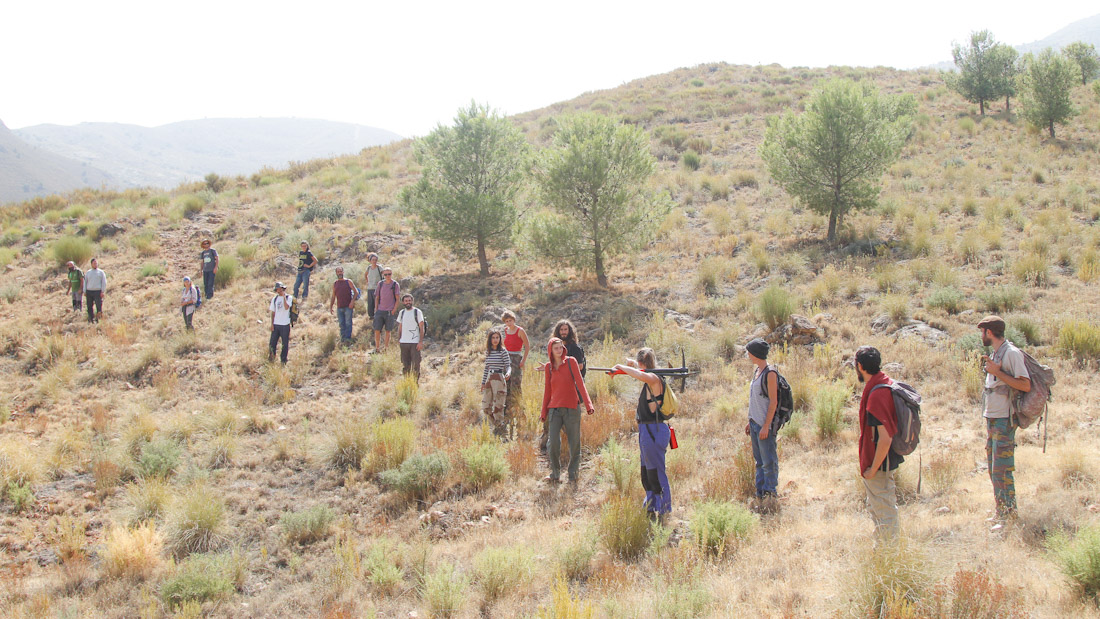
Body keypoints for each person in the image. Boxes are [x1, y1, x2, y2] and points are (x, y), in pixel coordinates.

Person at [978, 315, 1031, 530]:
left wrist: (997, 372)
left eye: (982, 332)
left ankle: (1009, 516)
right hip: (993, 418)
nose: (981, 336)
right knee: (993, 467)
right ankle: (1002, 511)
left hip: (1004, 419)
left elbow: (1025, 385)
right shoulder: (998, 353)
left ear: (989, 332)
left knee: (1002, 468)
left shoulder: (1012, 354)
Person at [613, 349, 671, 523]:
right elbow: (641, 372)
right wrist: (630, 364)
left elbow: (641, 376)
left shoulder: (654, 379)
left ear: (642, 364)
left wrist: (622, 367)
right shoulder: (651, 374)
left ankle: (663, 507)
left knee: (656, 471)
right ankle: (652, 504)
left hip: (654, 431)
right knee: (647, 471)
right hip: (647, 430)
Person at [854, 345, 902, 541]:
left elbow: (885, 437)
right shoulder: (884, 384)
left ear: (860, 367)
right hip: (883, 461)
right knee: (880, 508)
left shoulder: (876, 395)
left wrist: (873, 469)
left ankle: (889, 558)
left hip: (879, 464)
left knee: (885, 512)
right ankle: (883, 552)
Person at [540, 337, 594, 484]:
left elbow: (580, 384)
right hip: (555, 409)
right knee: (553, 444)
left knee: (574, 442)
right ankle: (555, 473)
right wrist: (543, 412)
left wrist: (588, 405)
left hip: (572, 408)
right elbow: (547, 391)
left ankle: (573, 474)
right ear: (550, 350)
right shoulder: (548, 367)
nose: (559, 350)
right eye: (556, 348)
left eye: (561, 347)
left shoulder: (571, 362)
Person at [744, 338, 780, 514]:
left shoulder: (770, 373)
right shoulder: (757, 371)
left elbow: (773, 402)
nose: (748, 355)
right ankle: (760, 493)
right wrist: (750, 420)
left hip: (764, 425)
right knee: (759, 461)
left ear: (755, 354)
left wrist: (766, 426)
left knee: (768, 462)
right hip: (755, 423)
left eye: (749, 352)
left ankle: (770, 495)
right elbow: (755, 399)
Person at [542, 320, 585, 451]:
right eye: (561, 330)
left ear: (570, 331)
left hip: (572, 390)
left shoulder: (575, 348)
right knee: (551, 418)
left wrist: (562, 369)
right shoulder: (554, 348)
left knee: (570, 423)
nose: (564, 332)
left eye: (566, 330)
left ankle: (572, 450)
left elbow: (580, 367)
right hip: (556, 390)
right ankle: (547, 446)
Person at [501, 311, 530, 444]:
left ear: (514, 319)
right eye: (506, 321)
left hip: (516, 358)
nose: (509, 323)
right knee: (506, 385)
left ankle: (520, 412)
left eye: (510, 320)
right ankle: (507, 413)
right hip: (507, 359)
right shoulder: (505, 331)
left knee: (516, 387)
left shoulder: (520, 330)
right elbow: (503, 346)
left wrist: (523, 360)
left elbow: (527, 345)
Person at [481, 329, 512, 437]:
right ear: (490, 339)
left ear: (500, 339)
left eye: (497, 338)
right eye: (493, 338)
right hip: (489, 378)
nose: (495, 340)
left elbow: (508, 365)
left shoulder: (503, 351)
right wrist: (483, 382)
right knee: (486, 407)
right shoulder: (488, 351)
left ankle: (501, 432)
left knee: (498, 407)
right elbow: (486, 368)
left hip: (499, 378)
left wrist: (508, 373)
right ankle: (497, 426)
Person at [396, 294, 425, 382]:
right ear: (403, 302)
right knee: (406, 364)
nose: (408, 302)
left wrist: (420, 342)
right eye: (406, 301)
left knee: (416, 363)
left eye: (409, 300)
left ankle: (415, 382)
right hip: (404, 342)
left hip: (415, 343)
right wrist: (399, 339)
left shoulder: (417, 312)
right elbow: (400, 327)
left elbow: (421, 327)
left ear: (412, 301)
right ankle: (407, 381)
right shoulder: (402, 313)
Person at [327, 266, 360, 344]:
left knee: (348, 323)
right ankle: (343, 338)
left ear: (343, 272)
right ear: (336, 273)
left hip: (348, 306)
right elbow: (333, 295)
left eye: (340, 271)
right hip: (339, 307)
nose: (339, 273)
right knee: (341, 323)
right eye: (338, 272)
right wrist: (331, 306)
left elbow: (356, 292)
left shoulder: (348, 281)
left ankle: (348, 339)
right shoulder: (335, 283)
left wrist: (352, 302)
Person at [372, 267, 401, 352]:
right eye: (386, 274)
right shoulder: (380, 284)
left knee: (388, 331)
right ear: (383, 275)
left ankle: (386, 348)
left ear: (391, 274)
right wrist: (376, 309)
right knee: (377, 330)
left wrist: (394, 310)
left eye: (389, 274)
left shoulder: (395, 284)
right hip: (380, 311)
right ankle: (377, 348)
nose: (388, 276)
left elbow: (397, 298)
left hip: (389, 311)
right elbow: (377, 297)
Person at [269, 281, 294, 364]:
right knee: (272, 343)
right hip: (276, 324)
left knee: (285, 343)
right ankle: (272, 358)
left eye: (280, 289)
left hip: (285, 324)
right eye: (277, 290)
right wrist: (272, 324)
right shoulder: (274, 299)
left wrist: (283, 297)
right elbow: (273, 312)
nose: (278, 291)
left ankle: (283, 360)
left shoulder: (289, 298)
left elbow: (287, 307)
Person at [84, 257, 107, 323]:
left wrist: (102, 291)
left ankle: (98, 319)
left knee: (98, 305)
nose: (95, 264)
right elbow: (85, 282)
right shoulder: (88, 272)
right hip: (89, 291)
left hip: (97, 291)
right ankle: (91, 319)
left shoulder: (101, 272)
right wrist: (84, 291)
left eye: (96, 263)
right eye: (94, 263)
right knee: (89, 306)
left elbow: (104, 282)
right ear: (91, 264)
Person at [364, 253, 383, 320]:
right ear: (370, 260)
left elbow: (384, 275)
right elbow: (365, 275)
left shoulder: (379, 268)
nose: (374, 261)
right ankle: (371, 316)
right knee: (370, 303)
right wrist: (368, 281)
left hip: (377, 288)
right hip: (370, 288)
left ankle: (378, 315)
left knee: (377, 302)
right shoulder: (369, 268)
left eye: (375, 260)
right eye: (373, 260)